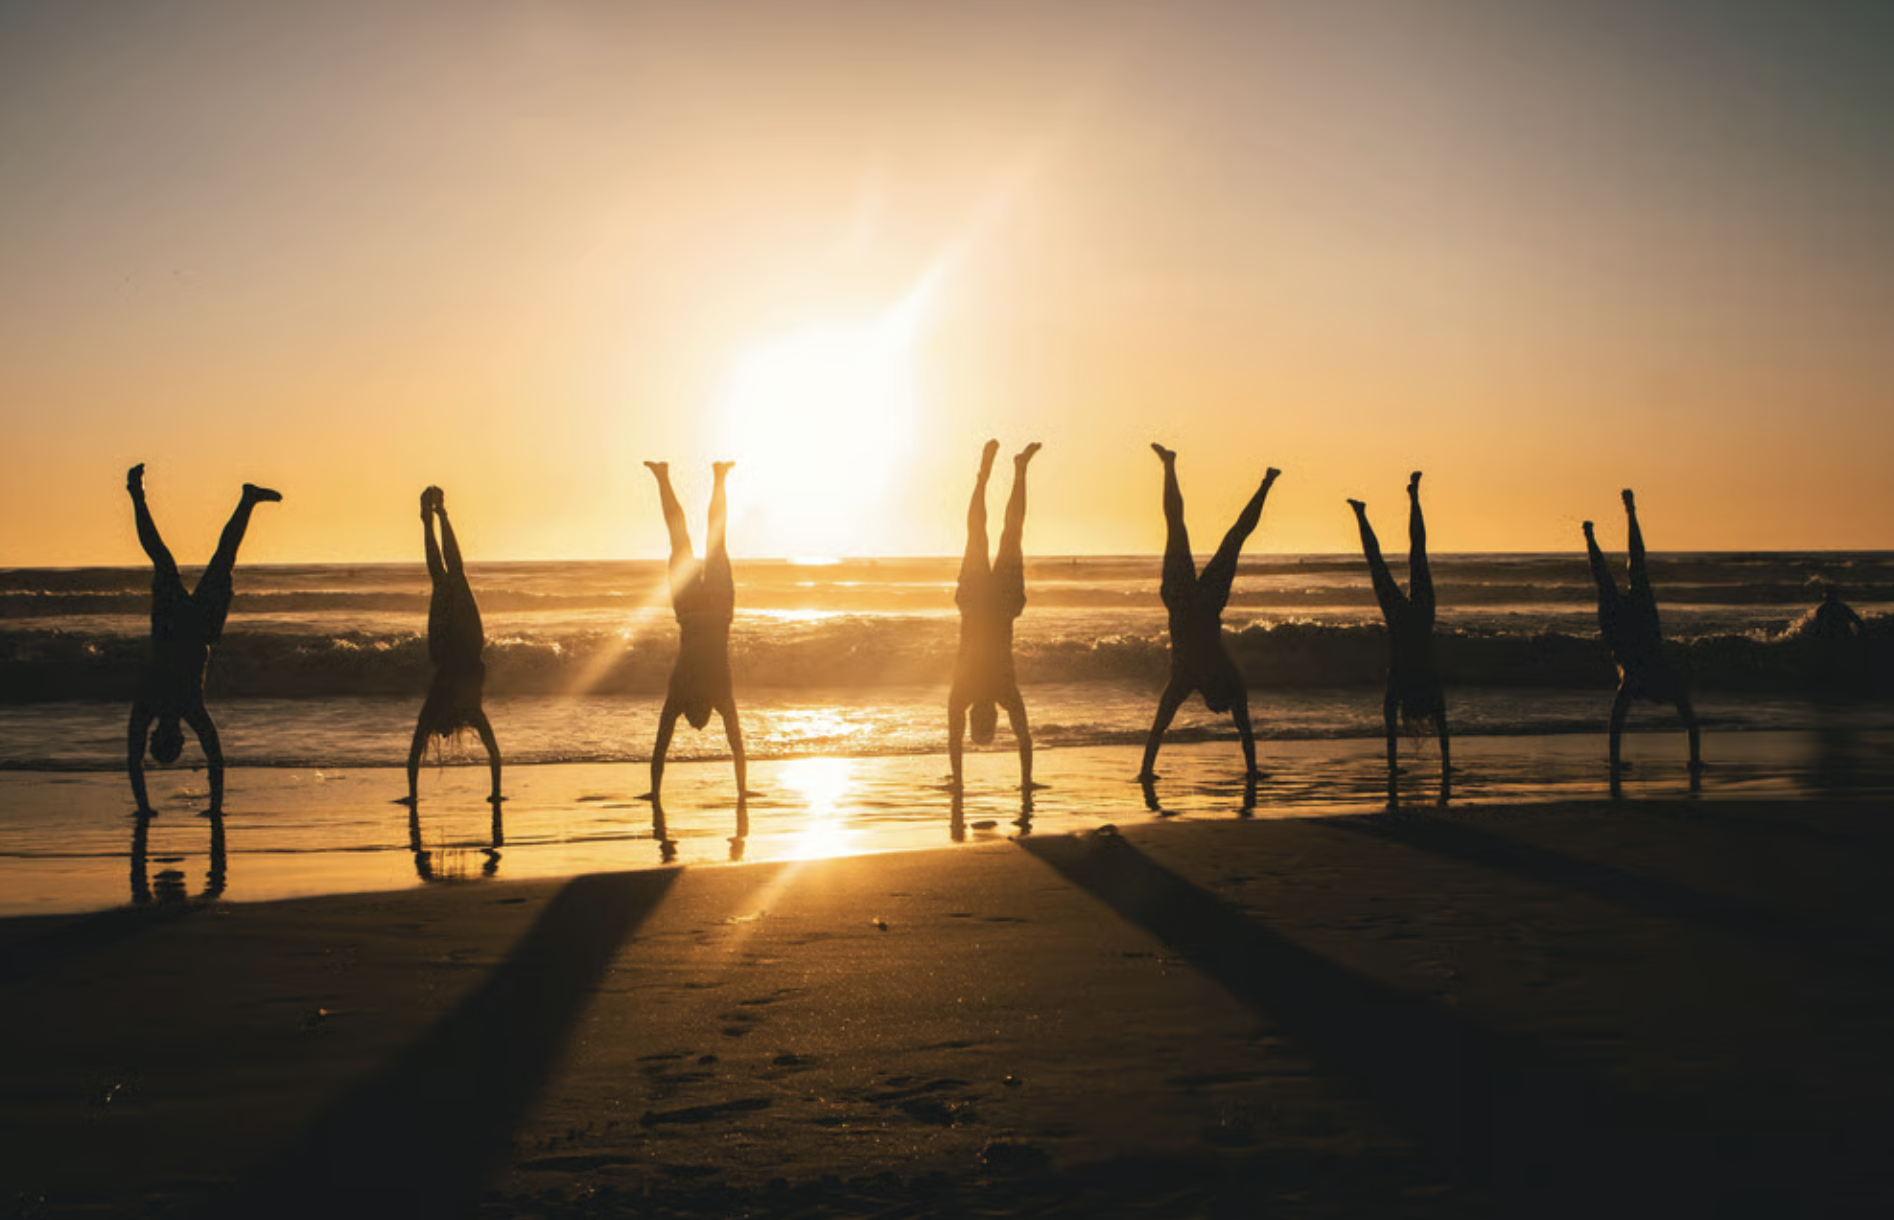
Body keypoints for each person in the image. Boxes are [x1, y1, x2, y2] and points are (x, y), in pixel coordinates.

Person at [125, 464, 280, 816]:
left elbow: (213, 757)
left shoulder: (174, 706)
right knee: (175, 560)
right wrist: (145, 806)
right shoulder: (170, 707)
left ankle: (246, 500)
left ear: (177, 738)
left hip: (188, 629)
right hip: (188, 628)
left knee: (204, 560)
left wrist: (149, 809)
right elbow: (139, 760)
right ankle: (245, 500)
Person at [1139, 445, 1281, 782]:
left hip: (1193, 601)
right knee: (1207, 533)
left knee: (1219, 535)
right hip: (1191, 602)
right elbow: (1160, 726)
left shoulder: (1195, 678)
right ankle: (1173, 465)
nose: (1221, 709)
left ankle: (1262, 483)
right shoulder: (1199, 678)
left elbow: (1161, 726)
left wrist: (1146, 772)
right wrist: (1251, 769)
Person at [642, 460, 748, 808]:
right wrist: (741, 791)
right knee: (687, 538)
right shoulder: (683, 694)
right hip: (692, 611)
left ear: (698, 711)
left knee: (712, 538)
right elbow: (661, 748)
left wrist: (656, 793)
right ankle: (670, 476)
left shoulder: (710, 695)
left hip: (713, 611)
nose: (703, 722)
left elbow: (735, 746)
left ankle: (713, 476)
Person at [1583, 488, 1701, 792]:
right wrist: (1695, 761)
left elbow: (1688, 723)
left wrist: (1695, 759)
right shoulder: (1640, 683)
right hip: (1631, 631)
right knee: (1615, 579)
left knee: (1633, 569)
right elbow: (1688, 722)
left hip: (1635, 630)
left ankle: (1626, 515)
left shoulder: (1639, 683)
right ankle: (1593, 535)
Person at [1348, 472, 1450, 808]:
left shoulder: (1423, 691)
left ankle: (1411, 497)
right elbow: (1393, 728)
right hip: (1406, 623)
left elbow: (1443, 732)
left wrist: (1444, 766)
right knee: (1382, 563)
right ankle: (1364, 513)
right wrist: (1395, 767)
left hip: (1419, 619)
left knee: (1415, 554)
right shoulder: (1406, 689)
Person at [949, 440, 1043, 794]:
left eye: (981, 720)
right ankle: (1011, 470)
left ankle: (993, 474)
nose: (984, 715)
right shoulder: (999, 693)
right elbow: (1023, 738)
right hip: (993, 604)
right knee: (1001, 533)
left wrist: (958, 784)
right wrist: (1026, 782)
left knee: (986, 534)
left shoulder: (967, 694)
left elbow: (956, 741)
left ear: (978, 716)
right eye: (986, 720)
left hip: (983, 604)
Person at [400, 487, 501, 807]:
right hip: (466, 643)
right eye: (445, 734)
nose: (442, 736)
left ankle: (433, 518)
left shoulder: (439, 710)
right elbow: (494, 753)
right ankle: (435, 516)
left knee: (446, 578)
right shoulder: (468, 710)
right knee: (451, 576)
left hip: (449, 645)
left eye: (439, 734)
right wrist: (496, 793)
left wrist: (414, 796)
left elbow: (415, 754)